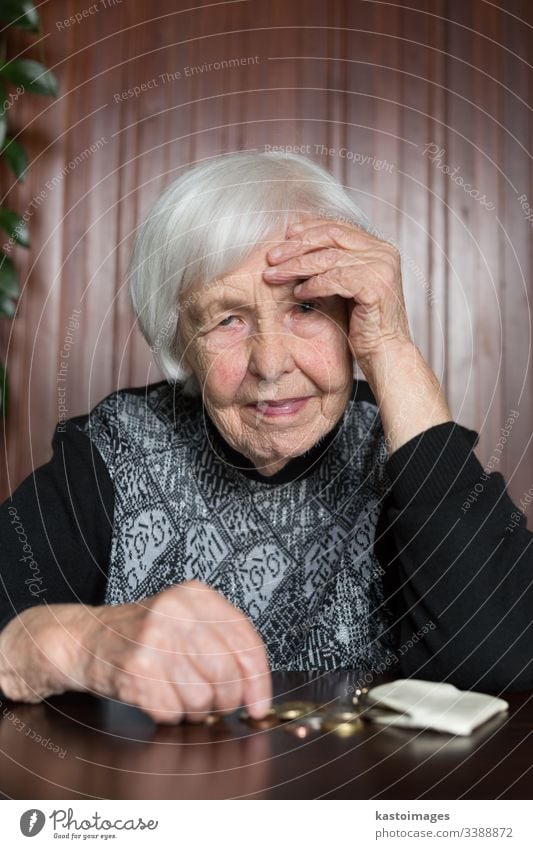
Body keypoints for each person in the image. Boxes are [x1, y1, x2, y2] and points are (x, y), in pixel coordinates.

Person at [0, 152, 531, 725]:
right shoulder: (116, 449)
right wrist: (81, 644)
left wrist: (393, 349)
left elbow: (506, 656)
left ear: (353, 316)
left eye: (305, 306)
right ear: (182, 342)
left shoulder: (402, 443)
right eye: (228, 319)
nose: (271, 363)